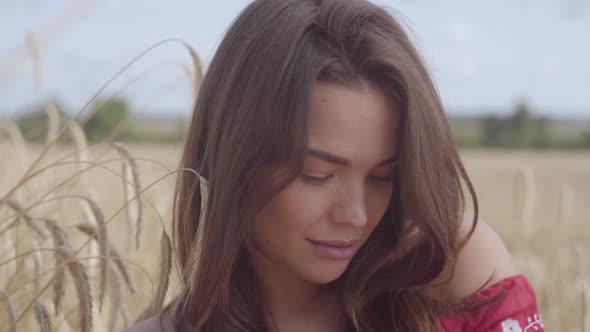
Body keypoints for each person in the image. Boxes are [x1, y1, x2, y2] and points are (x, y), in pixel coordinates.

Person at [125, 0, 544, 331]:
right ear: (235, 160)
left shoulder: (452, 270)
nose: (356, 216)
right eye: (317, 175)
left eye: (384, 176)